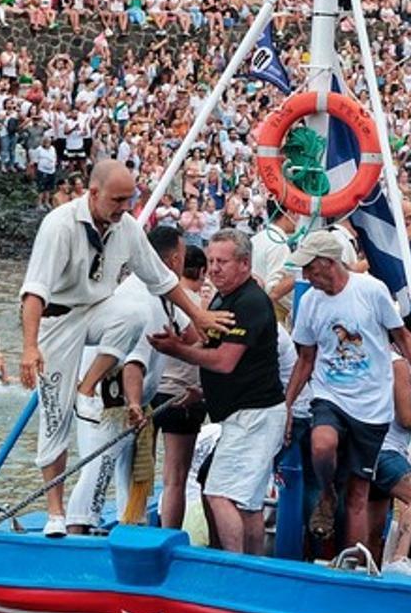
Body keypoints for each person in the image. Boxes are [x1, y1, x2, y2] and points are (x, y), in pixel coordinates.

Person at [18, 159, 231, 538]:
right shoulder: (60, 225)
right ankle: (56, 514)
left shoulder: (127, 228)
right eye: (117, 200)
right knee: (54, 420)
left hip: (98, 311)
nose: (124, 208)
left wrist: (199, 316)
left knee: (130, 314)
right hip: (57, 320)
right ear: (93, 193)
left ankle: (88, 385)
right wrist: (29, 347)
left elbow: (163, 280)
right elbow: (34, 292)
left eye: (129, 200)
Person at [283, 230, 411, 551]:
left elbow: (404, 337)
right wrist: (285, 406)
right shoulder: (311, 302)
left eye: (310, 269)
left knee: (359, 493)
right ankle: (327, 493)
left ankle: (352, 564)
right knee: (322, 443)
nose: (306, 277)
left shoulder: (371, 290)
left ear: (329, 263)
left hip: (372, 404)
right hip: (330, 395)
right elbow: (305, 358)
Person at [147, 230, 284, 554]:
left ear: (245, 264)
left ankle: (232, 564)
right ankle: (252, 566)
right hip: (242, 414)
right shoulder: (224, 297)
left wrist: (176, 352)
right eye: (210, 261)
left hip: (254, 416)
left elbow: (224, 362)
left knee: (219, 494)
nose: (214, 269)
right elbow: (204, 340)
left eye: (222, 262)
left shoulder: (250, 302)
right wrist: (181, 343)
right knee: (247, 503)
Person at [65, 227, 189, 534]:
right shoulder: (138, 298)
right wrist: (134, 404)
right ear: (174, 260)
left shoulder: (163, 293)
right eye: (184, 257)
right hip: (109, 399)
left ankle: (129, 525)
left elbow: (193, 334)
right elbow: (133, 363)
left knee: (130, 469)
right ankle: (77, 530)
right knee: (99, 467)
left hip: (135, 399)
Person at [368, 317, 411, 577]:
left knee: (374, 529)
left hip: (381, 448)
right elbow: (405, 418)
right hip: (386, 449)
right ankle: (400, 556)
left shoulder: (393, 362)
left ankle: (369, 572)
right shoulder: (397, 364)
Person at [151, 244, 208, 530]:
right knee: (175, 478)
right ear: (202, 271)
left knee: (138, 471)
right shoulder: (202, 308)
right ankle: (168, 534)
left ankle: (134, 525)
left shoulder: (158, 297)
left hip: (150, 393)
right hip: (183, 397)